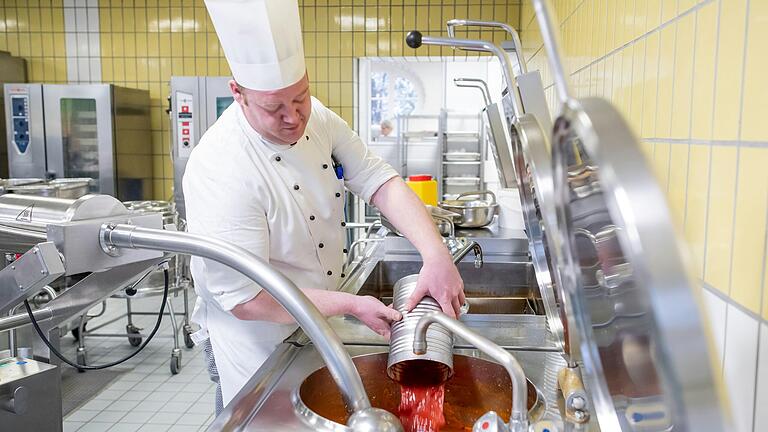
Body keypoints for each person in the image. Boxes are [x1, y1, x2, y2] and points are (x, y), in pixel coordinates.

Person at [186, 0, 465, 412]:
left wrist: (436, 253)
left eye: (300, 97)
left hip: (315, 320)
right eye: (274, 108)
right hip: (256, 341)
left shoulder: (318, 118)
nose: (293, 117)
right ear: (238, 94)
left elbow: (379, 181)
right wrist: (351, 304)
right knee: (260, 418)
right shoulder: (221, 168)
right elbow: (247, 301)